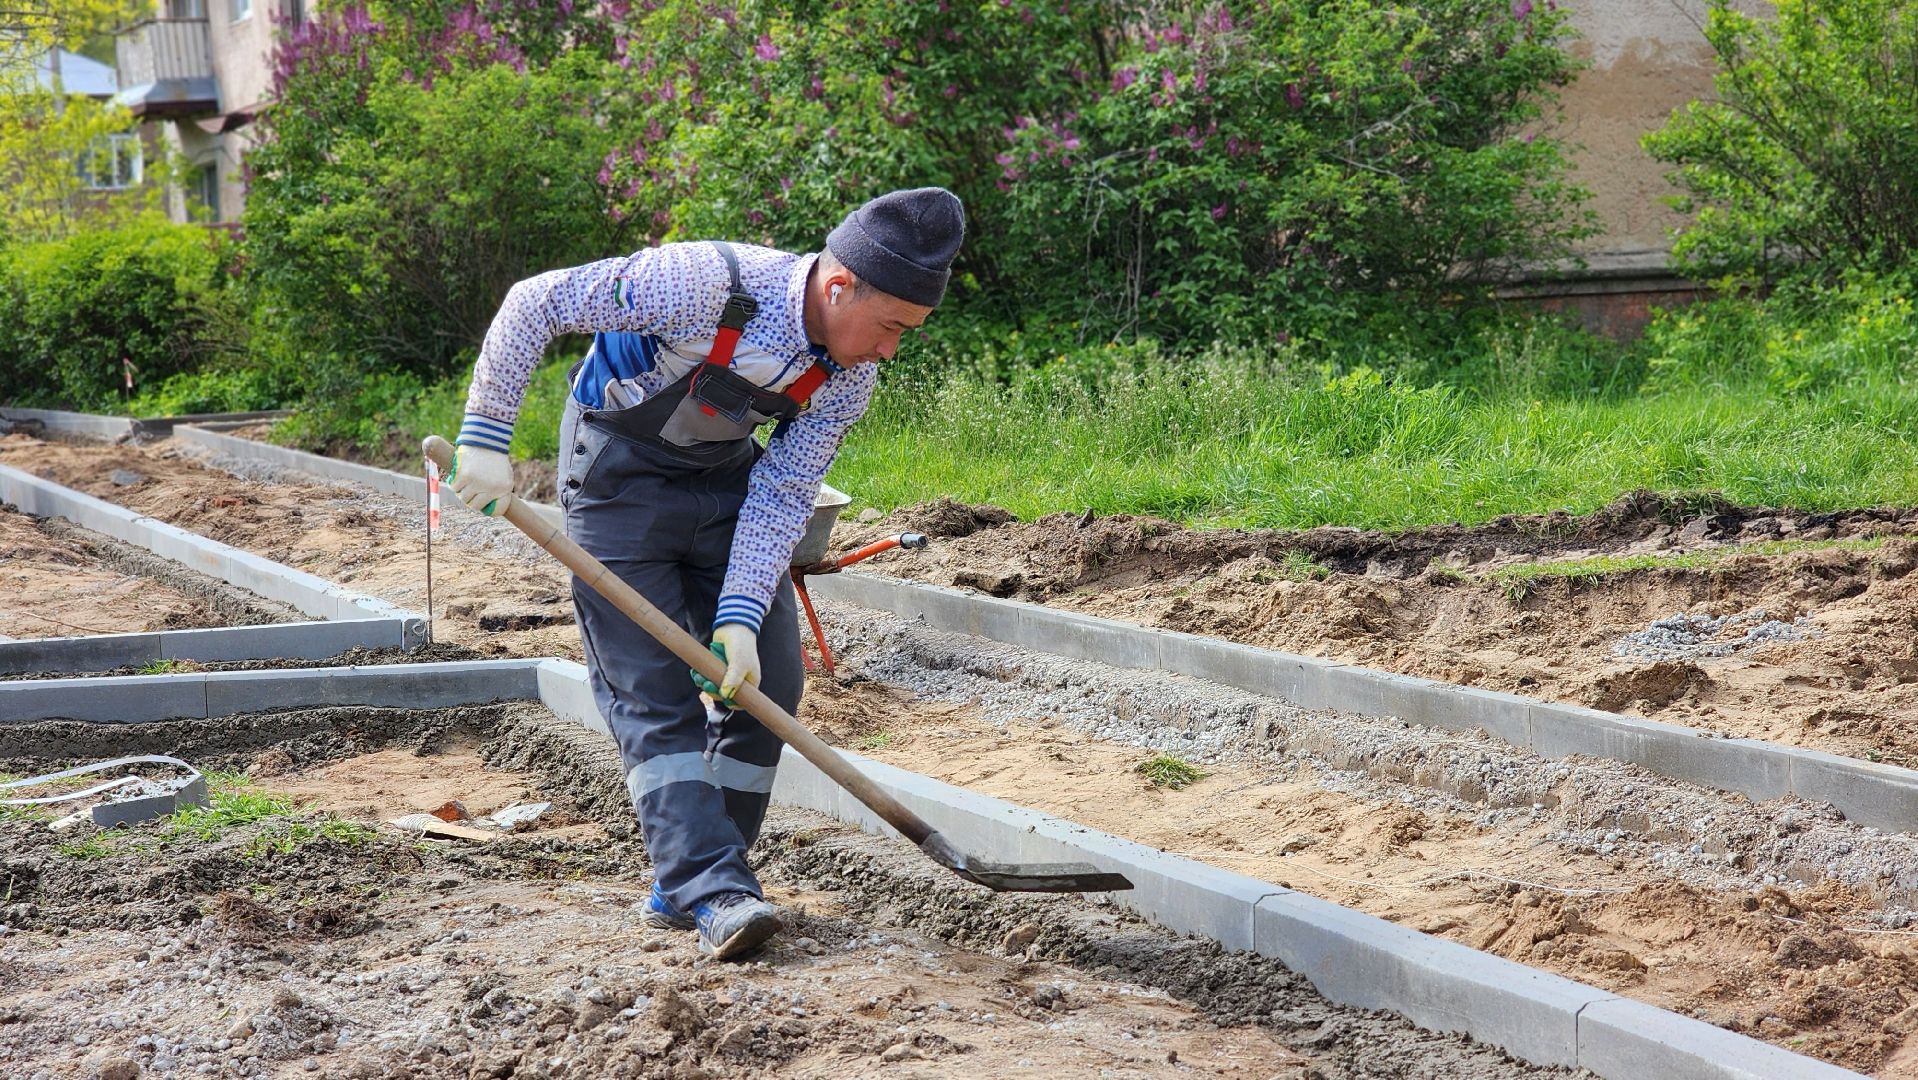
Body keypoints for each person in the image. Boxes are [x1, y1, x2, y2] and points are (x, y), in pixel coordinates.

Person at [447, 188, 965, 959]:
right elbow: (534, 303)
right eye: (891, 327)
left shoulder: (848, 378)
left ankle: (691, 877)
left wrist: (741, 612)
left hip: (726, 490)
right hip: (617, 487)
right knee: (653, 696)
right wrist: (487, 433)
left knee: (769, 686)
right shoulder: (702, 282)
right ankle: (715, 888)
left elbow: (784, 491)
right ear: (837, 287)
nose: (891, 349)